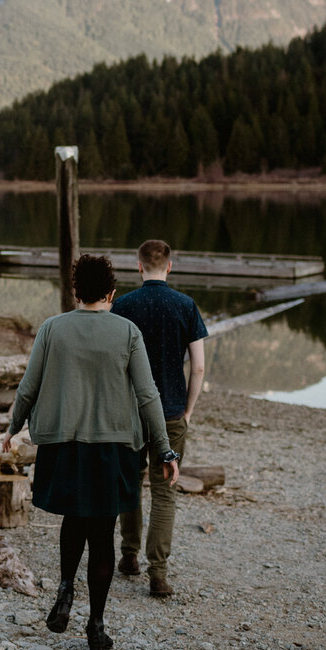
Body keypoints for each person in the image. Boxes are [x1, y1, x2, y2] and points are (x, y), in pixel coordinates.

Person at [2, 253, 179, 650]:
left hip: (65, 444)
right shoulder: (128, 332)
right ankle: (96, 627)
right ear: (112, 293)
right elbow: (148, 394)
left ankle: (65, 587)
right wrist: (164, 448)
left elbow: (29, 386)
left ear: (76, 291)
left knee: (73, 518)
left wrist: (13, 427)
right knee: (102, 534)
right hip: (114, 447)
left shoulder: (52, 328)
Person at [112, 238, 208, 597]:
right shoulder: (186, 305)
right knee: (165, 490)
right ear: (169, 266)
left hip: (130, 413)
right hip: (170, 412)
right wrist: (189, 410)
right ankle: (159, 574)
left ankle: (129, 556)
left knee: (131, 483)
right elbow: (197, 367)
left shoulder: (122, 306)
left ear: (139, 267)